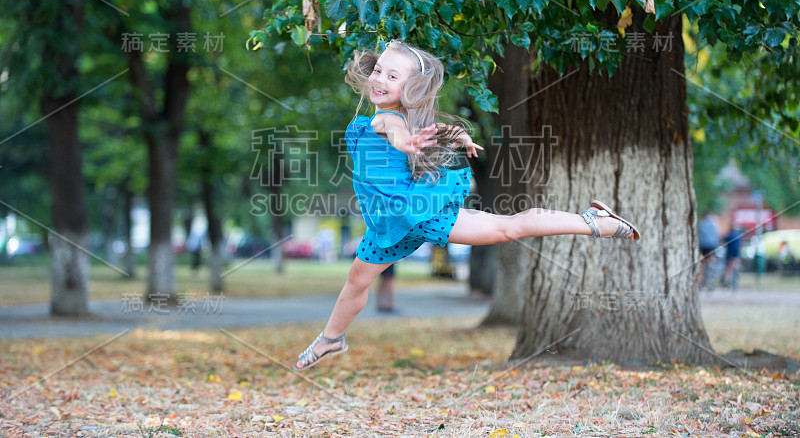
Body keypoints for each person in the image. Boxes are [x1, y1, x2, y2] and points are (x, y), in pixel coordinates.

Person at [292, 40, 641, 371]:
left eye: (392, 76)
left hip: (418, 216)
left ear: (410, 89)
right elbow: (432, 128)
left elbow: (395, 133)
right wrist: (459, 136)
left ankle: (593, 221)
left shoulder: (388, 121)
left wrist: (409, 143)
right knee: (356, 281)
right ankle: (330, 339)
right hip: (393, 223)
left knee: (509, 227)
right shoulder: (391, 119)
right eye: (379, 70)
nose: (380, 79)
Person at [698, 211, 719, 289]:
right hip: (712, 246)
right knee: (711, 261)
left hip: (704, 246)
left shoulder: (703, 224)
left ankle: (702, 279)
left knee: (702, 263)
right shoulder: (714, 223)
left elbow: (701, 235)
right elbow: (716, 236)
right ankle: (711, 277)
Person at [722, 225, 742, 290]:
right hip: (736, 254)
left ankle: (726, 279)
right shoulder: (738, 237)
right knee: (735, 266)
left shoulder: (728, 237)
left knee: (728, 267)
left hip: (729, 254)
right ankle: (733, 279)